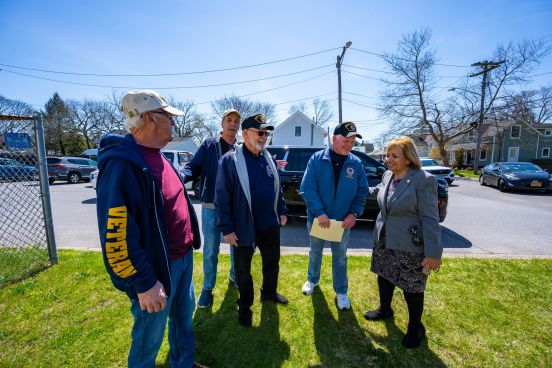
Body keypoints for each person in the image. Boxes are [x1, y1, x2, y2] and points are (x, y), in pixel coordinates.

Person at [96, 90, 205, 367]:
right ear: (148, 119)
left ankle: (184, 363)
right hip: (155, 270)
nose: (173, 123)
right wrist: (144, 283)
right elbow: (117, 238)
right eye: (167, 116)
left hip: (182, 260)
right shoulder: (122, 166)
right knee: (149, 339)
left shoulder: (159, 156)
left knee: (183, 321)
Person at [363, 136, 442, 349]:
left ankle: (415, 327)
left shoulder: (423, 180)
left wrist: (433, 253)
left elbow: (430, 218)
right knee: (384, 276)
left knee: (412, 287)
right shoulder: (388, 175)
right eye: (387, 155)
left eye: (394, 156)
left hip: (410, 244)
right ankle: (385, 309)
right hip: (384, 239)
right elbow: (378, 193)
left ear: (408, 158)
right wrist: (355, 188)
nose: (388, 159)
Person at [214, 114, 289, 327]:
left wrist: (281, 209)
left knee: (272, 263)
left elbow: (277, 187)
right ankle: (245, 306)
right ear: (245, 133)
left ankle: (269, 293)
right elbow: (221, 197)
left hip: (269, 224)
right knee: (243, 270)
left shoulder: (267, 157)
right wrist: (226, 228)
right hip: (243, 226)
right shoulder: (230, 160)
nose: (264, 137)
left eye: (266, 133)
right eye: (260, 132)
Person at [299, 122, 368, 311]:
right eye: (346, 140)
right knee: (315, 252)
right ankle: (312, 280)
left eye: (353, 141)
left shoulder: (356, 163)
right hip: (319, 219)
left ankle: (341, 291)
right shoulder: (316, 159)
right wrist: (320, 213)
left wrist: (354, 213)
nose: (349, 144)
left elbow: (362, 192)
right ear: (334, 139)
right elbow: (307, 189)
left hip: (342, 222)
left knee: (340, 257)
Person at [182, 108, 241, 309]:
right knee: (210, 250)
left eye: (236, 121)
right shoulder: (209, 145)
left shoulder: (242, 149)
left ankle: (235, 276)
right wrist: (180, 176)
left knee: (237, 247)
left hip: (235, 209)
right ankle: (207, 288)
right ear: (222, 123)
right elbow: (193, 166)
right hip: (211, 207)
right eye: (229, 120)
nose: (233, 124)